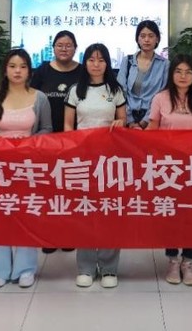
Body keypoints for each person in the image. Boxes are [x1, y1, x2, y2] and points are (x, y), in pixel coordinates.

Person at [0, 49, 52, 288]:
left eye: (22, 66)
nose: (17, 71)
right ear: (5, 70)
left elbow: (47, 130)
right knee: (1, 214)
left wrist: (28, 143)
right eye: (12, 66)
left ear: (29, 70)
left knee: (26, 213)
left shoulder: (39, 98)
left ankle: (25, 268)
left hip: (28, 165)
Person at [64, 43, 126, 289]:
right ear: (85, 62)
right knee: (85, 211)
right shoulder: (75, 90)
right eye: (91, 59)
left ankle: (109, 267)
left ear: (107, 63)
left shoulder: (115, 89)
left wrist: (120, 124)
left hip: (110, 160)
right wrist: (74, 146)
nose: (96, 64)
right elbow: (68, 125)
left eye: (101, 60)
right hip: (83, 159)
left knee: (110, 211)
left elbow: (123, 119)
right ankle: (86, 267)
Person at [146, 54, 192, 286]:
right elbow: (152, 129)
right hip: (168, 168)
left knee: (191, 214)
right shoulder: (160, 98)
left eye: (188, 72)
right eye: (178, 71)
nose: (183, 76)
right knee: (171, 214)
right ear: (171, 74)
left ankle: (188, 261)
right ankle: (173, 260)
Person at [30, 30, 81, 254]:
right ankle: (49, 235)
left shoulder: (83, 71)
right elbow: (32, 98)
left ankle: (69, 233)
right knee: (47, 188)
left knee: (71, 188)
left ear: (75, 48)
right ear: (53, 48)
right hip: (46, 137)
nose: (64, 49)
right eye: (60, 45)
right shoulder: (42, 70)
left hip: (75, 139)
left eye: (68, 45)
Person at [117, 20, 169, 129]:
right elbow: (121, 92)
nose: (146, 40)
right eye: (143, 36)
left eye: (151, 36)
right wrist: (130, 120)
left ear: (157, 39)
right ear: (137, 39)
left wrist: (144, 122)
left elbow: (162, 95)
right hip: (128, 118)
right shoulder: (128, 61)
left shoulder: (164, 64)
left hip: (153, 120)